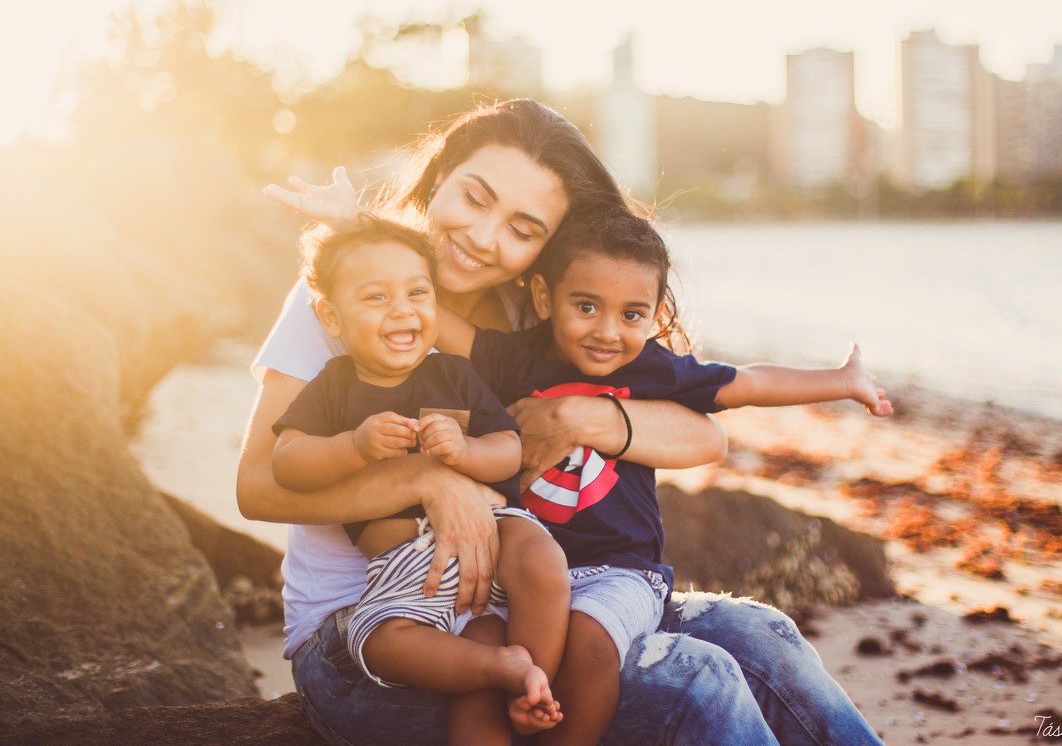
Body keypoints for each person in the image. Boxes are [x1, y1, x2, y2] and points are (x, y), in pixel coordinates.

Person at [239, 98, 887, 745]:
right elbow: (258, 486)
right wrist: (430, 482)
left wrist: (582, 414)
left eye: (523, 229)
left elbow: (705, 435)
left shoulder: (542, 321)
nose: (485, 237)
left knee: (760, 634)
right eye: (475, 197)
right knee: (697, 680)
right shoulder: (356, 291)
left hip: (521, 606)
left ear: (550, 247)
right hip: (372, 632)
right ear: (438, 178)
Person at [432, 208, 891, 746]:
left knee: (590, 642)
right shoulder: (514, 358)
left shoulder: (652, 370)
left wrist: (840, 380)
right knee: (495, 657)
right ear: (542, 297)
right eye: (585, 307)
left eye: (632, 315)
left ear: (655, 313)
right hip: (527, 579)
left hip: (620, 573)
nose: (607, 332)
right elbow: (442, 321)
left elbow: (747, 384)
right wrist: (353, 229)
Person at [270, 217, 568, 743]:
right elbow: (286, 464)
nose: (403, 309)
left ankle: (535, 683)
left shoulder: (452, 373)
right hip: (407, 578)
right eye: (376, 298)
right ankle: (504, 669)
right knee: (385, 644)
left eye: (417, 292)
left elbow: (510, 451)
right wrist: (352, 446)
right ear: (331, 318)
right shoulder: (333, 388)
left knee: (543, 559)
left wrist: (467, 450)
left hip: (490, 540)